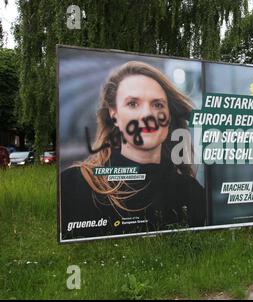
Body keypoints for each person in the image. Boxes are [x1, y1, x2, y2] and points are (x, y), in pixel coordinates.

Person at [61, 61, 206, 240]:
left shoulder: (191, 192)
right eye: (132, 104)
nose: (147, 115)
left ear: (169, 115)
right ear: (114, 115)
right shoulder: (74, 185)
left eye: (158, 105)